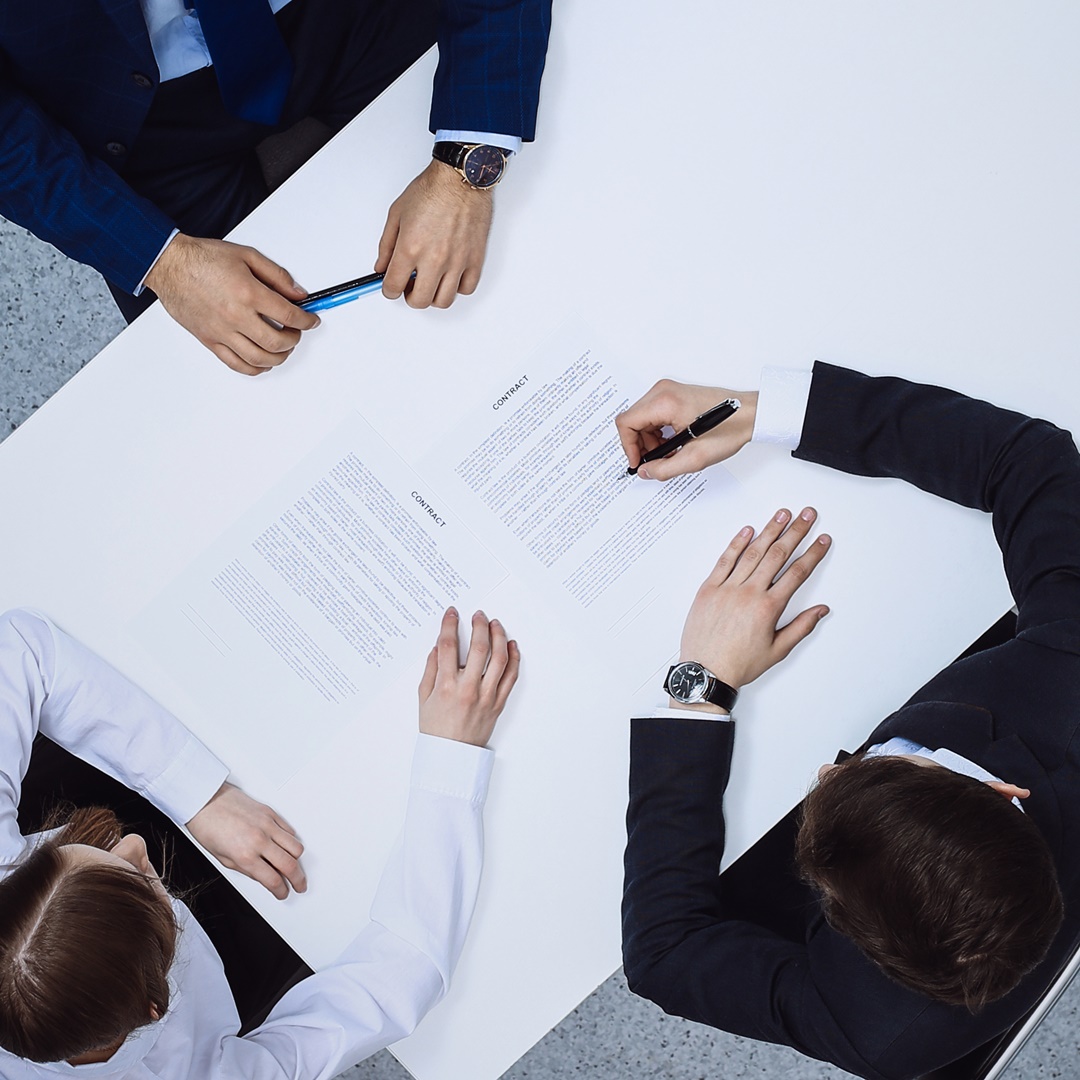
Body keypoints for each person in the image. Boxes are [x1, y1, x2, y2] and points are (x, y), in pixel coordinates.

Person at [616, 362, 1080, 1080]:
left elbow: (664, 955)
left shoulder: (878, 1032)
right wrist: (763, 412)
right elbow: (1030, 459)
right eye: (875, 764)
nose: (832, 767)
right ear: (999, 790)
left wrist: (700, 690)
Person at [0, 604, 519, 1074]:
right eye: (140, 877)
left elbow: (21, 650)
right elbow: (397, 979)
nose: (134, 844)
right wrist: (452, 754)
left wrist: (200, 795)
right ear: (153, 1008)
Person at [0, 0, 552, 375]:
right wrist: (162, 261)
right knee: (264, 380)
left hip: (349, 16)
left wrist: (467, 163)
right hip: (127, 132)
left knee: (543, 228)